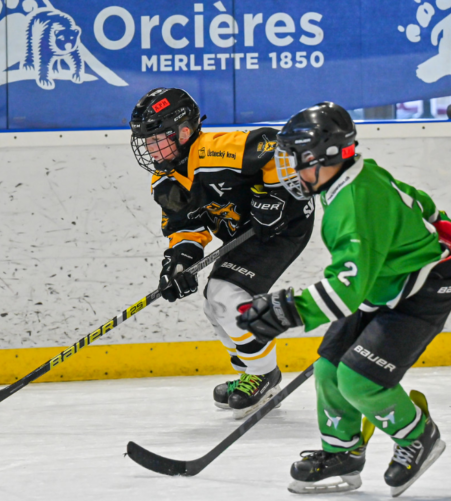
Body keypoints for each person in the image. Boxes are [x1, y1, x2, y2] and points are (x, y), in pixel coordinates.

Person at [236, 102, 451, 496]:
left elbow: (346, 291)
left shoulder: (353, 201)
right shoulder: (348, 179)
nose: (291, 169)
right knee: (328, 368)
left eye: (296, 159)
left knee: (359, 379)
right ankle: (342, 453)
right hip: (387, 280)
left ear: (322, 157)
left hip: (423, 288)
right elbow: (419, 203)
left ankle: (417, 434)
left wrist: (289, 310)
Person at [129, 88, 316, 417]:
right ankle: (253, 370)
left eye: (157, 138)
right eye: (147, 141)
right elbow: (186, 228)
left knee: (224, 294)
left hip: (283, 225)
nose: (150, 149)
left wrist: (275, 194)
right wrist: (178, 264)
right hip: (245, 236)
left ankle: (262, 374)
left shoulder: (218, 150)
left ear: (184, 131)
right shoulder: (165, 181)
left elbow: (280, 146)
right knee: (215, 307)